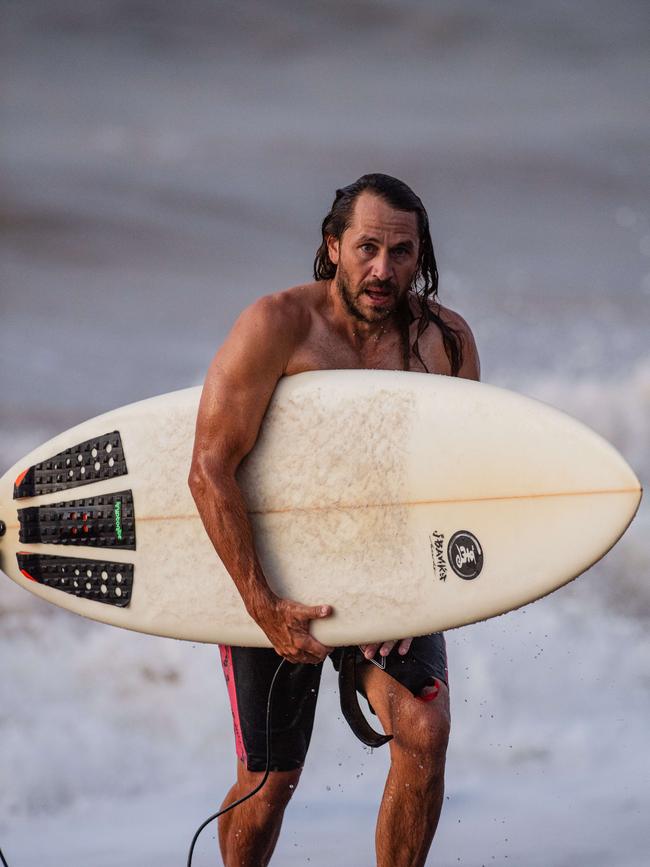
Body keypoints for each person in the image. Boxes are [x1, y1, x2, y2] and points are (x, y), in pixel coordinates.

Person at [189, 173, 480, 867]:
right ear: (333, 246)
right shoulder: (277, 326)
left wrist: (421, 599)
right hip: (277, 569)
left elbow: (466, 481)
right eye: (368, 247)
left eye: (403, 252)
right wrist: (265, 607)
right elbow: (209, 469)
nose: (385, 269)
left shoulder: (445, 343)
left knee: (424, 727)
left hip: (385, 567)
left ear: (420, 256)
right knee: (270, 783)